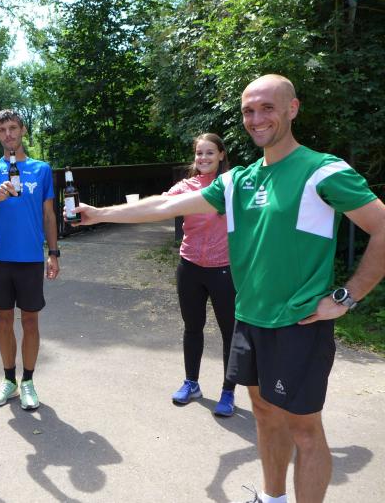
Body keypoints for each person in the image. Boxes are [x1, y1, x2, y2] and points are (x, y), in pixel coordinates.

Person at [72, 74, 385, 503]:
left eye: (267, 108)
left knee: (304, 430)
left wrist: (347, 297)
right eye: (248, 111)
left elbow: (381, 226)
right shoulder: (238, 180)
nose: (256, 119)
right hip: (248, 318)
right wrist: (100, 213)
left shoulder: (322, 170)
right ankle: (272, 498)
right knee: (264, 414)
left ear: (292, 108)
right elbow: (167, 204)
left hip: (299, 323)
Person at [0, 109, 60, 411]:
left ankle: (28, 382)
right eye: (2, 130)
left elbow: (49, 215)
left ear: (23, 130)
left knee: (30, 321)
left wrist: (53, 253)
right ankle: (9, 380)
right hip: (0, 257)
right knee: (3, 320)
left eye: (13, 128)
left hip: (31, 258)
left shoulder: (41, 169)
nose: (8, 134)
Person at [165, 133, 237, 416]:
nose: (203, 158)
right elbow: (160, 204)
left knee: (230, 332)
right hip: (190, 267)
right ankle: (191, 383)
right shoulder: (187, 187)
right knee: (192, 327)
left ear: (221, 155)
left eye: (209, 152)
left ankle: (228, 391)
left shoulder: (232, 185)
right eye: (199, 153)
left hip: (224, 269)